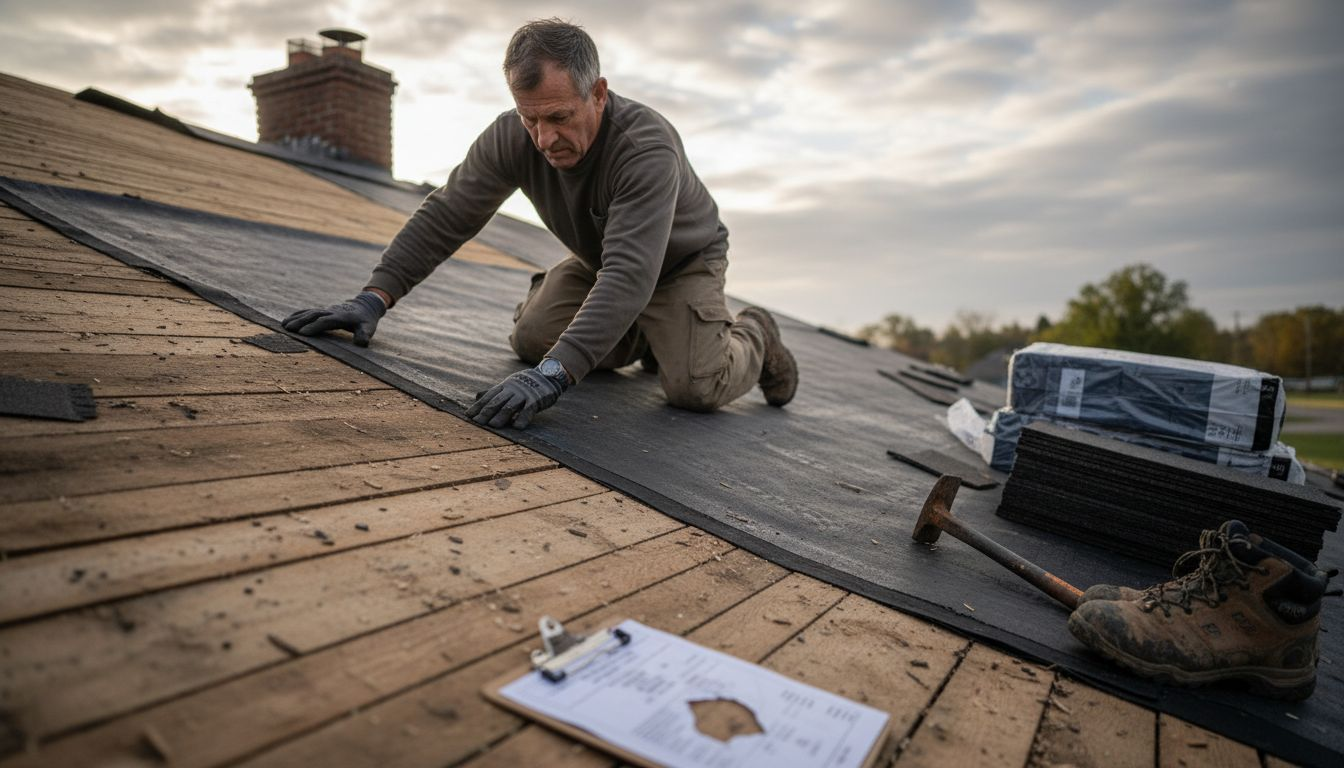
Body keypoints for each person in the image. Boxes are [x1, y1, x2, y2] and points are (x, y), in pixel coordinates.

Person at [283, 18, 797, 429]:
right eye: (529, 119)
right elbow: (447, 214)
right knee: (532, 340)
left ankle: (755, 333)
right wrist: (373, 297)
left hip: (679, 264)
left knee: (694, 388)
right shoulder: (512, 136)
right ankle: (651, 335)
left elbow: (631, 274)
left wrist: (552, 377)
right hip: (603, 262)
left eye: (558, 118)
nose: (543, 139)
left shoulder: (645, 150)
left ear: (597, 93)